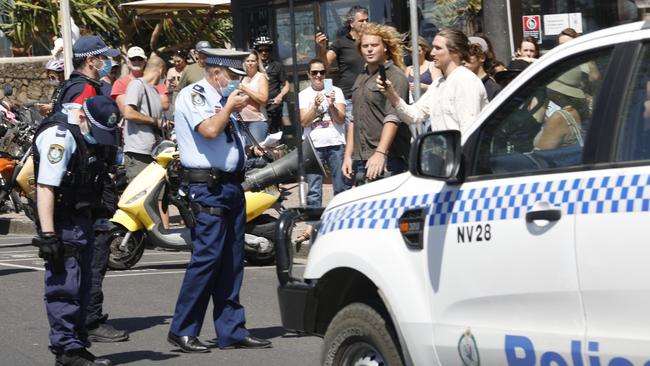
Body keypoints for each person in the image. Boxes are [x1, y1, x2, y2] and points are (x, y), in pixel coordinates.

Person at [168, 48, 272, 353]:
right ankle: (183, 329)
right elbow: (210, 130)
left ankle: (231, 329)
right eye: (234, 77)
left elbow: (227, 144)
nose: (239, 84)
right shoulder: (195, 95)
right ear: (217, 74)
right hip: (208, 188)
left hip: (229, 187)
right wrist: (228, 107)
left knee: (232, 260)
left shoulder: (219, 100)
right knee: (206, 260)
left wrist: (253, 152)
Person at [33, 95, 120, 366]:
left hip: (81, 217)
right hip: (60, 221)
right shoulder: (59, 137)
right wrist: (48, 235)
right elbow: (46, 186)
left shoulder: (84, 132)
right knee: (65, 287)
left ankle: (78, 345)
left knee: (83, 287)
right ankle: (67, 351)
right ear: (83, 117)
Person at [54, 36, 129, 344]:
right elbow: (81, 139)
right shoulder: (83, 90)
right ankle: (90, 318)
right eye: (103, 58)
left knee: (92, 252)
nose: (108, 63)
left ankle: (84, 317)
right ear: (91, 60)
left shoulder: (78, 87)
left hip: (88, 182)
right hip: (90, 185)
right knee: (96, 251)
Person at [381, 28, 488, 134]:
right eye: (433, 47)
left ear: (455, 51)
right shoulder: (438, 84)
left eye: (438, 48)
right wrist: (391, 94)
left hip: (460, 150)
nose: (432, 53)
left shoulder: (466, 81)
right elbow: (415, 115)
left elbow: (468, 130)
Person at [342, 23, 411, 185]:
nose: (369, 49)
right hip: (361, 158)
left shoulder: (395, 76)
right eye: (365, 46)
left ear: (385, 47)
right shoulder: (361, 77)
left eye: (374, 45)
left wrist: (381, 152)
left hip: (388, 159)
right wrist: (347, 155)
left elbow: (393, 118)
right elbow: (353, 118)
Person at [299, 58, 347, 207]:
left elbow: (341, 119)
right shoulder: (304, 94)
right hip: (313, 146)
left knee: (340, 187)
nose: (318, 75)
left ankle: (340, 220)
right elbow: (304, 122)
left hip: (336, 143)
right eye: (314, 72)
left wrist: (331, 105)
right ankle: (313, 225)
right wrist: (314, 106)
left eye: (322, 72)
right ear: (308, 75)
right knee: (314, 190)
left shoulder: (336, 91)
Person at [316, 5, 368, 127]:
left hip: (369, 94)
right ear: (352, 23)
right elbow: (324, 65)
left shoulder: (370, 41)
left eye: (367, 20)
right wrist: (322, 48)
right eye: (361, 21)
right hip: (350, 97)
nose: (365, 23)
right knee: (352, 135)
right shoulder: (341, 42)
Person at [53, 35, 119, 113]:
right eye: (105, 57)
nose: (108, 62)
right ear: (91, 61)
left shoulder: (72, 84)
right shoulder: (86, 90)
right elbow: (80, 123)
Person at [533, 67, 591, 150]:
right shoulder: (575, 111)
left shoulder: (559, 118)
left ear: (558, 94)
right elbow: (537, 120)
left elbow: (540, 155)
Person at [111, 46, 169, 116]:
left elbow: (165, 105)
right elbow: (125, 110)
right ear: (128, 62)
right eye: (133, 59)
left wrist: (136, 102)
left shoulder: (156, 80)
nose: (137, 61)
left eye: (140, 58)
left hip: (156, 124)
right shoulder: (120, 83)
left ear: (145, 61)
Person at [253, 36, 290, 134]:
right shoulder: (252, 66)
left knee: (275, 134)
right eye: (260, 50)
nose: (264, 52)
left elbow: (286, 85)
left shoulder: (277, 66)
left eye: (267, 49)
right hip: (257, 106)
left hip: (273, 106)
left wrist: (280, 96)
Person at [239, 50, 269, 144]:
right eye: (247, 61)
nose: (250, 63)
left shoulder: (261, 77)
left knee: (257, 151)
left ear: (257, 63)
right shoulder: (241, 78)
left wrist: (245, 89)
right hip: (241, 121)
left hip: (257, 121)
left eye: (253, 61)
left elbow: (264, 100)